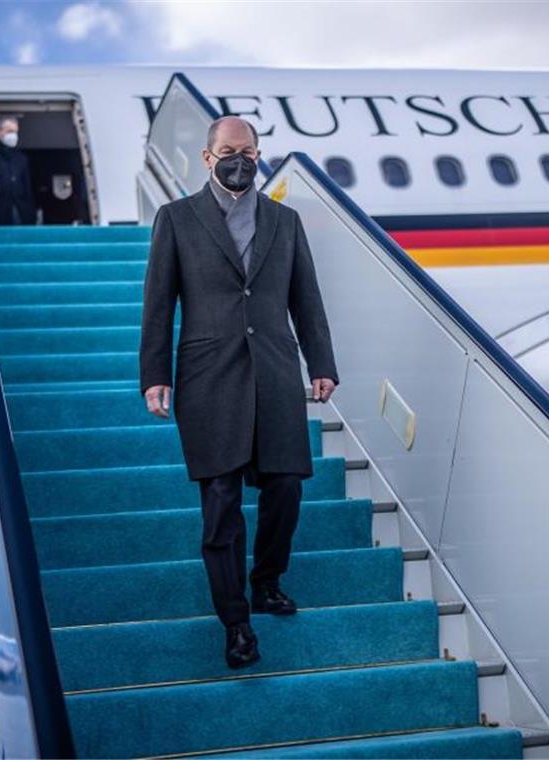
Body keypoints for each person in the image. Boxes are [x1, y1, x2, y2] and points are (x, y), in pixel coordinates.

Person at [138, 115, 339, 669]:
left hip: (274, 372)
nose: (240, 160)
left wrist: (321, 363)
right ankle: (236, 623)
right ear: (207, 158)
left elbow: (308, 299)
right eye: (229, 151)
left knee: (287, 488)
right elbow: (159, 304)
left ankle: (266, 581)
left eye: (248, 151)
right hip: (208, 378)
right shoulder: (176, 219)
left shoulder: (285, 221)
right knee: (221, 505)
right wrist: (155, 375)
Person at [0, 114, 37, 225]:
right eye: (9, 131)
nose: (13, 135)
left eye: (15, 132)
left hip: (21, 212)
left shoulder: (21, 158)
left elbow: (27, 190)